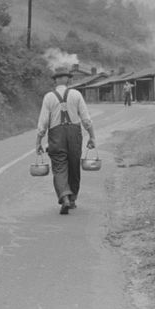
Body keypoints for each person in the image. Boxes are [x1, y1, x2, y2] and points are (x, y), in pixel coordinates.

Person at [36, 68, 96, 215]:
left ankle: (65, 197)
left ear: (55, 81)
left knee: (59, 167)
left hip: (56, 135)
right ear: (68, 80)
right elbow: (86, 119)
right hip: (74, 134)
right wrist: (92, 136)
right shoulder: (76, 94)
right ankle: (73, 198)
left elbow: (43, 122)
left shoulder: (49, 97)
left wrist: (38, 141)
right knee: (74, 166)